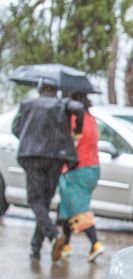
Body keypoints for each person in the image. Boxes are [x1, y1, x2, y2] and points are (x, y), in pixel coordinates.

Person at [11, 81, 84, 261]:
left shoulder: (28, 105)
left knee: (35, 201)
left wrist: (29, 138)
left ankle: (52, 235)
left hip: (33, 156)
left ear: (40, 89)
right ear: (56, 90)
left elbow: (15, 128)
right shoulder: (62, 104)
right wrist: (77, 131)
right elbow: (80, 108)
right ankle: (35, 247)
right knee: (43, 202)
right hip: (55, 158)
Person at [58, 91, 104, 262]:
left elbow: (69, 142)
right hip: (93, 169)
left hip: (77, 170)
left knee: (78, 209)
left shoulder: (75, 119)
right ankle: (66, 245)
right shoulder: (91, 119)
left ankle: (95, 243)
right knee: (67, 206)